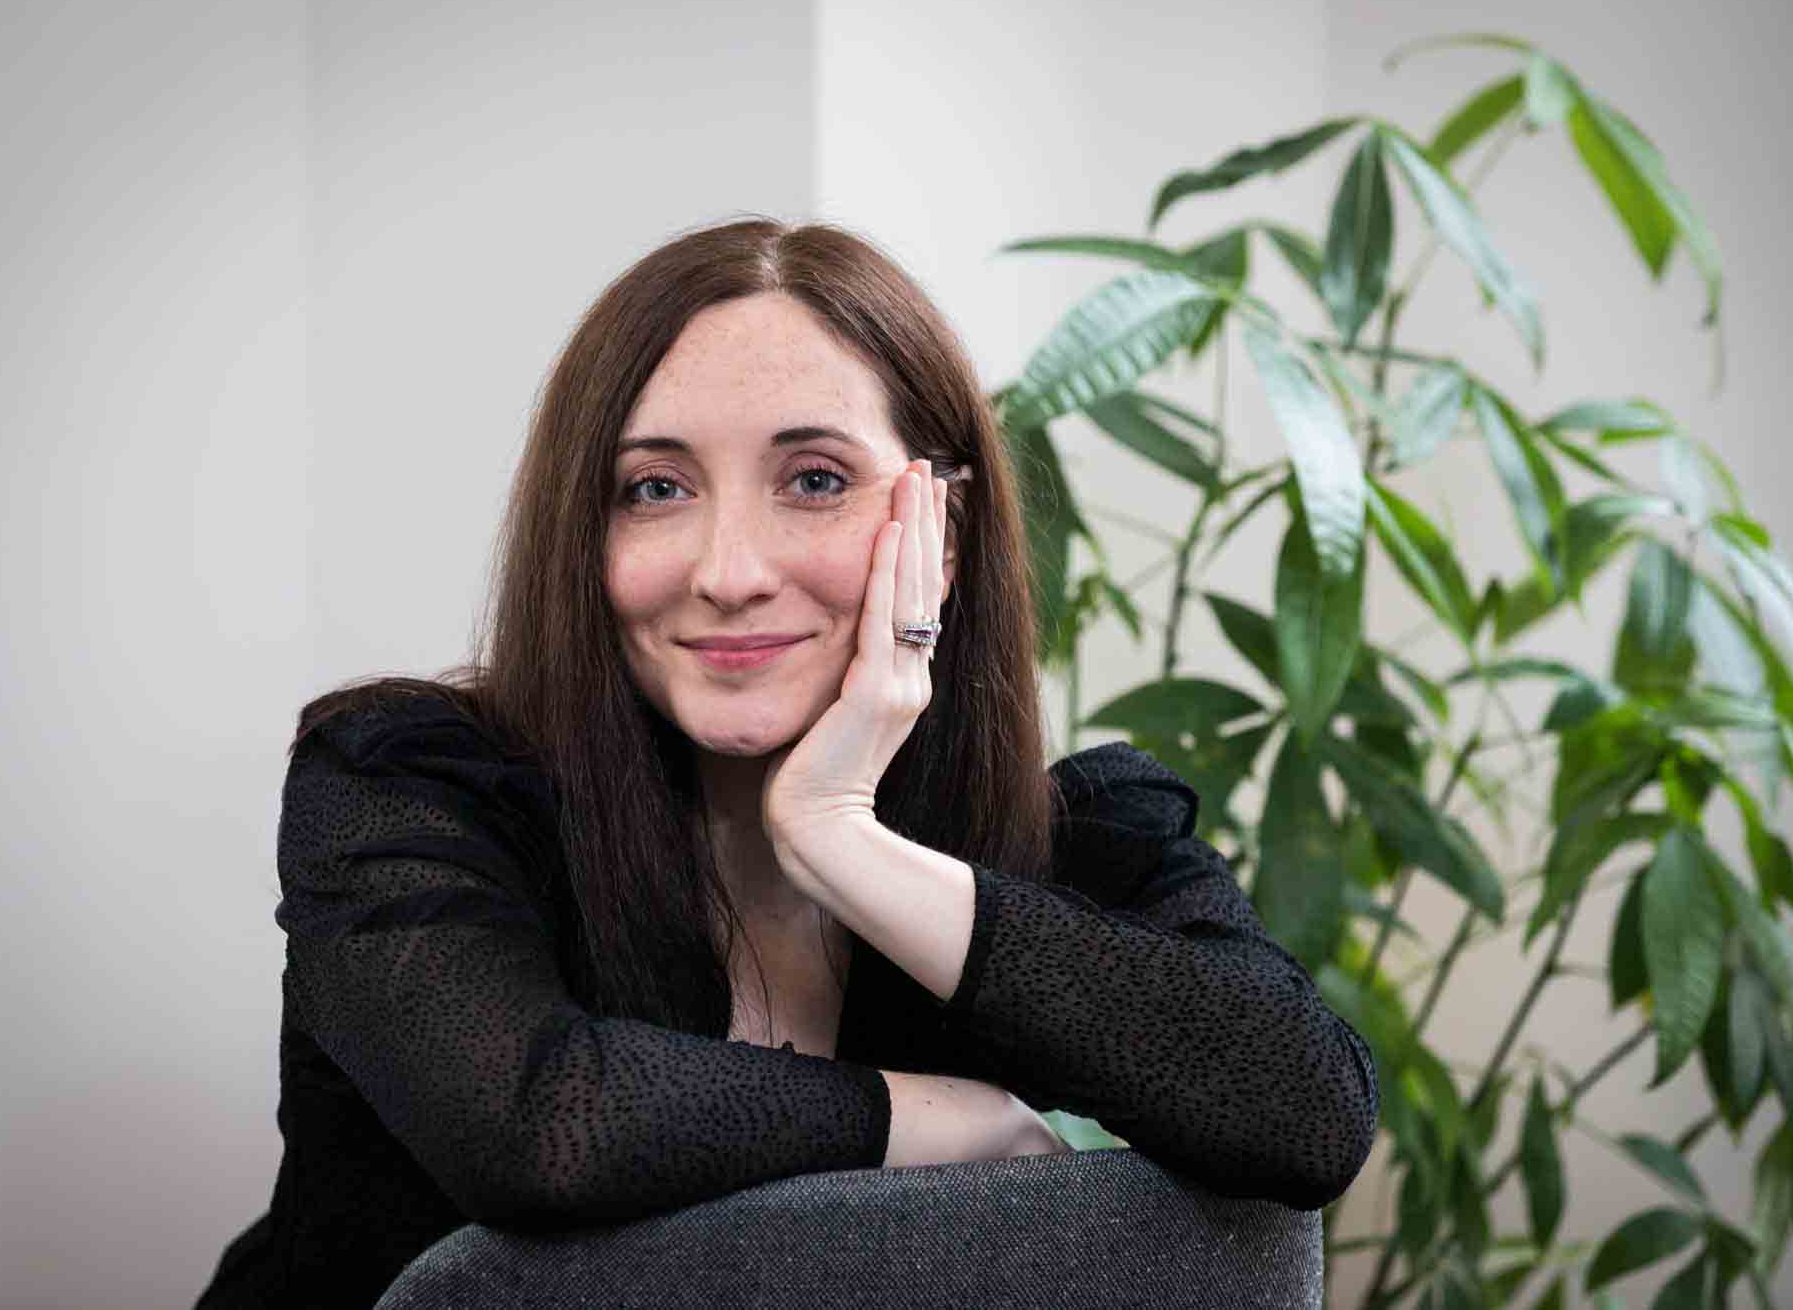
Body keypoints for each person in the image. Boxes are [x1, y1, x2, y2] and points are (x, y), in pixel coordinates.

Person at [195, 217, 1379, 1308]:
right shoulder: (407, 785)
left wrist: (836, 833)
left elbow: (1300, 1115)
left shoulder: (1080, 827)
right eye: (652, 488)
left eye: (813, 479)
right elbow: (538, 1124)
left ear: (941, 532)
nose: (729, 570)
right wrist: (923, 1119)